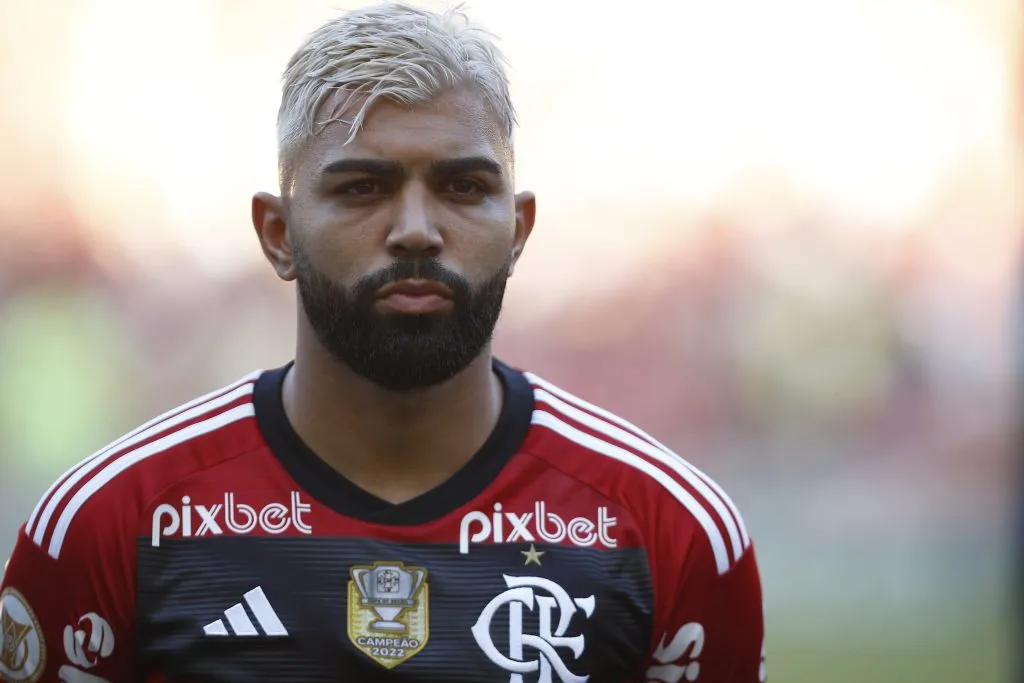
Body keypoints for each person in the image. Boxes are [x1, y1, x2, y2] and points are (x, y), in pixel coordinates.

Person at [0, 3, 765, 681]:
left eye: (464, 187)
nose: (417, 230)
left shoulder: (669, 529)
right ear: (278, 233)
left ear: (520, 229)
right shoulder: (112, 522)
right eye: (361, 187)